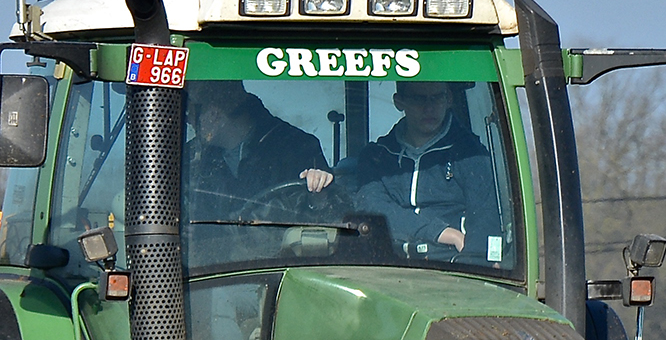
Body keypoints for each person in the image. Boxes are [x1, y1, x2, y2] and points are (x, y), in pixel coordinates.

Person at [336, 79, 503, 258]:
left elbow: (485, 222)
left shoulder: (470, 155)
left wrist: (482, 258)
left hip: (452, 262)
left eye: (437, 97)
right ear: (399, 102)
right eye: (418, 99)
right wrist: (442, 232)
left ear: (449, 99)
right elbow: (373, 209)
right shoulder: (376, 156)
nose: (429, 108)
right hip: (383, 260)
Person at [185, 84, 329, 211]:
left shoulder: (300, 149)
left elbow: (327, 216)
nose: (188, 121)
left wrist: (317, 197)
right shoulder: (190, 158)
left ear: (213, 114)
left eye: (191, 113)